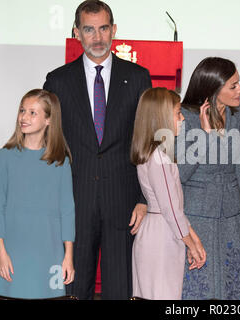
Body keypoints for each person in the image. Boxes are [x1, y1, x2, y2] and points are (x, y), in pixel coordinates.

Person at [43, 0, 152, 300]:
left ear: (114, 30)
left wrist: (145, 199)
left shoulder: (139, 77)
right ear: (76, 33)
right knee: (75, 289)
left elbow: (150, 140)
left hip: (125, 203)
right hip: (74, 201)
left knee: (121, 289)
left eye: (104, 28)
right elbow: (48, 144)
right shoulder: (58, 81)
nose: (98, 37)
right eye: (89, 30)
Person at [176, 57, 240, 300]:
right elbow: (179, 175)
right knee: (198, 290)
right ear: (213, 88)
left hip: (233, 215)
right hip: (197, 216)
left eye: (238, 83)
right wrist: (204, 135)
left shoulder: (239, 112)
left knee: (233, 290)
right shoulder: (183, 116)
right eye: (233, 86)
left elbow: (239, 166)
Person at [0, 89, 75, 299]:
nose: (24, 117)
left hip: (51, 252)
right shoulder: (5, 156)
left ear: (48, 120)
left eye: (32, 112)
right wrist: (1, 253)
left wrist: (68, 257)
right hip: (14, 252)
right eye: (22, 111)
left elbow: (67, 210)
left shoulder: (60, 161)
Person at [130, 88, 206, 299]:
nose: (182, 119)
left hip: (162, 231)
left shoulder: (156, 154)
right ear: (161, 117)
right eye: (178, 113)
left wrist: (194, 240)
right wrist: (192, 245)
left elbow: (175, 209)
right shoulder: (159, 157)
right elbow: (171, 210)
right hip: (161, 237)